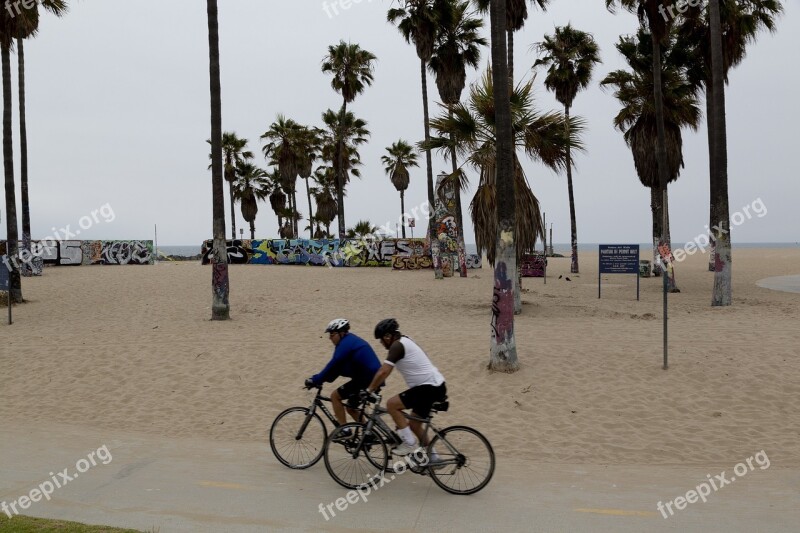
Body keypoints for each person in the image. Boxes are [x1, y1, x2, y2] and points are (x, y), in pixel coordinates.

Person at [365, 318, 447, 456]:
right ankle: (433, 457)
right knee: (414, 425)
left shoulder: (397, 346)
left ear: (388, 336)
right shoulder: (405, 340)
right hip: (436, 385)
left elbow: (384, 371)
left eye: (381, 339)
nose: (381, 343)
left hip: (428, 387)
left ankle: (409, 444)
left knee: (392, 405)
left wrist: (369, 390)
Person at [305, 318, 382, 428]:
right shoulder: (349, 341)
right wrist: (323, 379)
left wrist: (315, 379)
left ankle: (344, 430)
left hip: (368, 380)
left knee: (335, 396)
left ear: (341, 333)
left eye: (332, 334)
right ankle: (367, 434)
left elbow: (332, 365)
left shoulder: (345, 344)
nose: (330, 337)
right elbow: (337, 368)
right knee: (351, 407)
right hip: (369, 378)